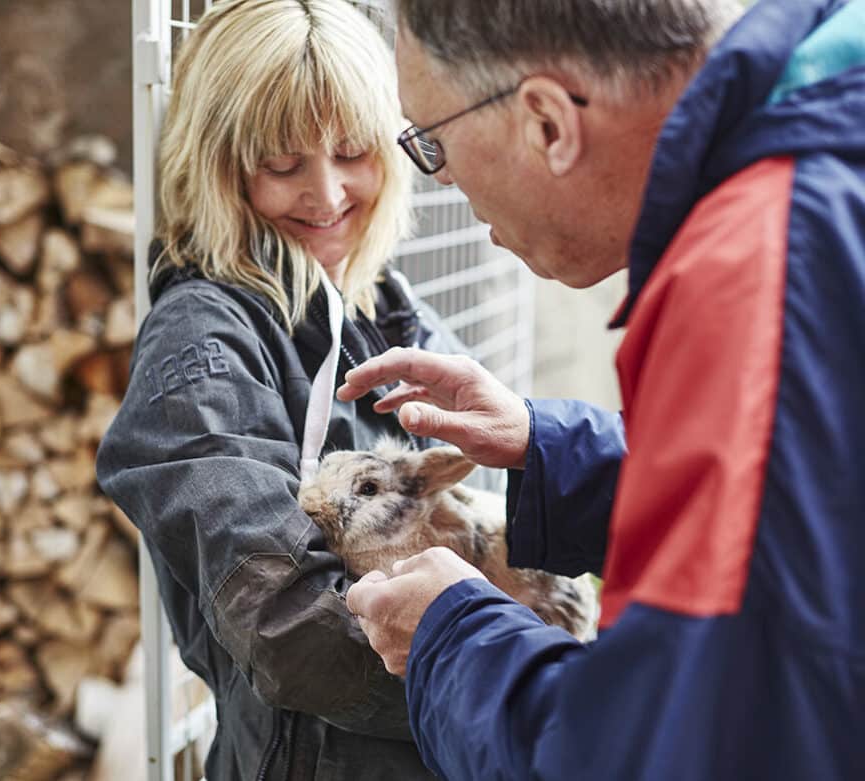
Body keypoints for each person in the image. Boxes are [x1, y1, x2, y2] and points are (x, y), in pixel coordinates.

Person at [340, 0, 865, 779]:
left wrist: (449, 637)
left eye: (433, 141)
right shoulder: (824, 137)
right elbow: (800, 513)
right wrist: (549, 448)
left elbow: (662, 749)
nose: (441, 176)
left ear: (548, 122)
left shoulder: (756, 279)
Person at [95, 0, 481, 778]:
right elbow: (289, 624)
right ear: (218, 164)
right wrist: (507, 684)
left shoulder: (381, 300)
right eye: (282, 163)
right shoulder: (200, 341)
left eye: (352, 151)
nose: (328, 194)